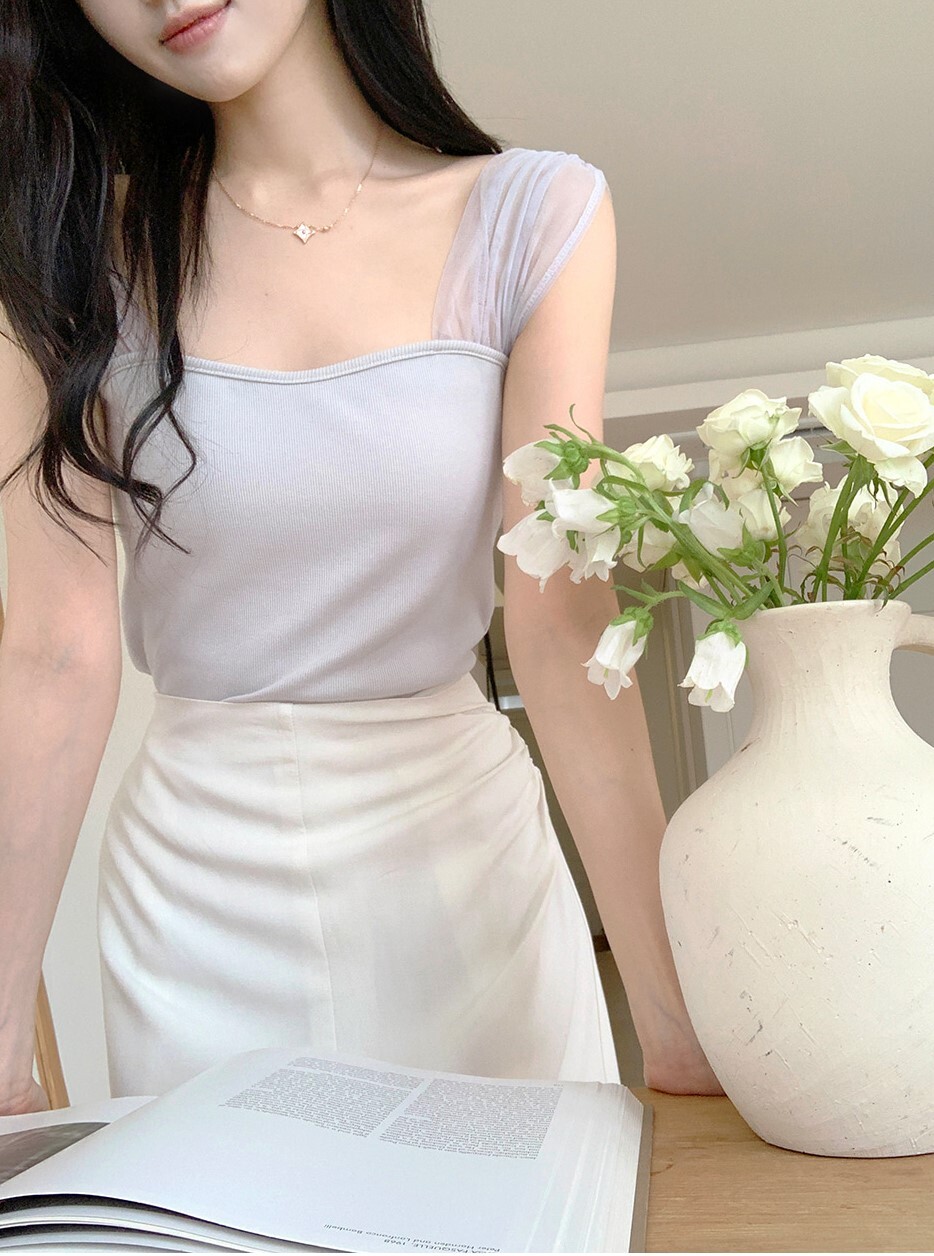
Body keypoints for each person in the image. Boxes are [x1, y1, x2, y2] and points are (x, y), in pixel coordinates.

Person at [0, 0, 724, 1113]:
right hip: (196, 889)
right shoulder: (69, 259)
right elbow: (55, 649)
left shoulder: (531, 214)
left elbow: (559, 623)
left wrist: (676, 1020)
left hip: (466, 869)